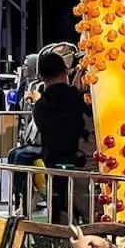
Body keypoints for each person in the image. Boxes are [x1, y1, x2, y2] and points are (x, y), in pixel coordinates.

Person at [32, 51, 89, 223]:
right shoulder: (78, 99)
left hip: (54, 164)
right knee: (89, 218)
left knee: (60, 216)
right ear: (66, 71)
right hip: (82, 165)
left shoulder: (41, 106)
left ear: (42, 76)